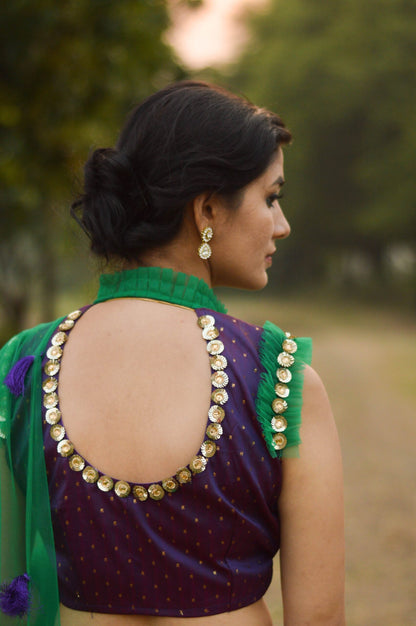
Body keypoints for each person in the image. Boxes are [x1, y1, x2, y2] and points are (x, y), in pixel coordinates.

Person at [0, 81, 344, 626]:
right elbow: (318, 619)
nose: (283, 225)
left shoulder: (26, 363)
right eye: (271, 198)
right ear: (207, 208)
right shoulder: (278, 379)